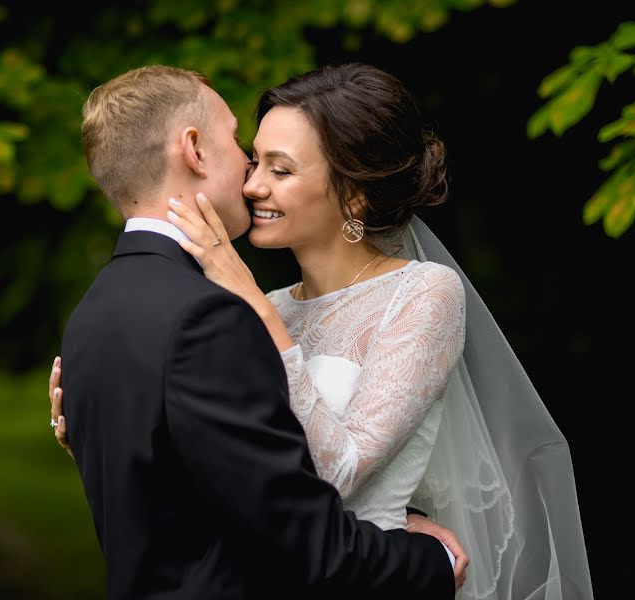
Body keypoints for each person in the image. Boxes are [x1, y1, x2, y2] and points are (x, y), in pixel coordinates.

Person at [53, 64, 462, 600]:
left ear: (354, 195)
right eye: (252, 158)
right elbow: (248, 480)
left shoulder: (422, 293)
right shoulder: (248, 310)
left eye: (280, 168)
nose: (252, 183)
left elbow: (307, 477)